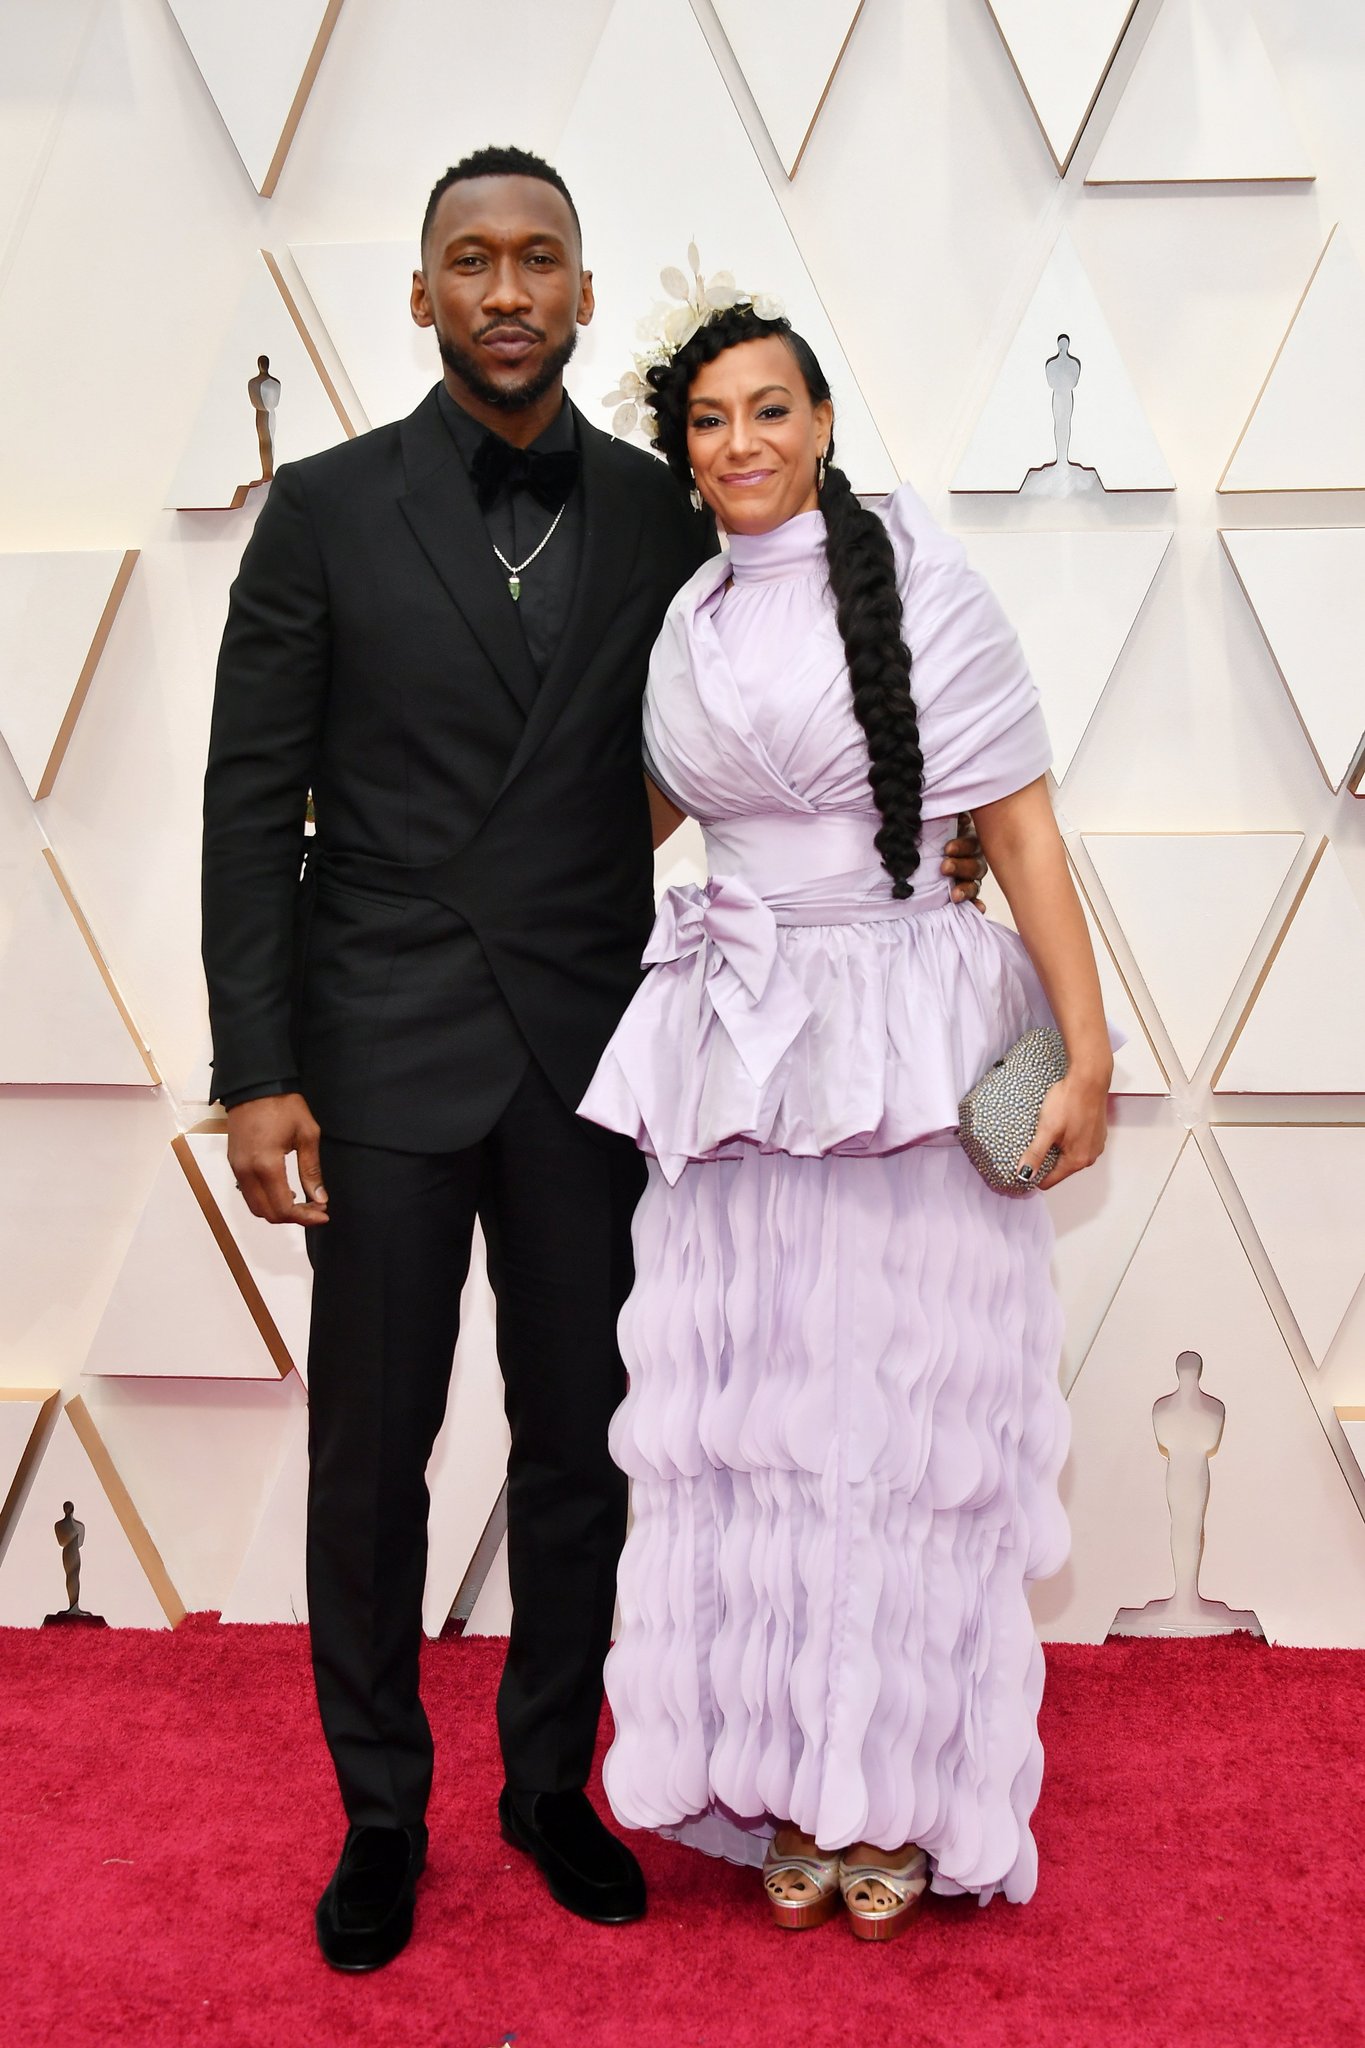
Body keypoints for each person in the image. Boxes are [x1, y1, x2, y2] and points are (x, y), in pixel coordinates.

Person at [201, 142, 1000, 1969]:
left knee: (586, 1444)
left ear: (579, 289)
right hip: (378, 1051)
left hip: (596, 1050)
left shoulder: (662, 513)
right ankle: (380, 1815)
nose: (506, 289)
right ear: (421, 292)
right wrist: (257, 1069)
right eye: (471, 259)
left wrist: (920, 839)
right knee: (371, 1459)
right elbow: (250, 807)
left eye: (538, 258)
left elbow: (785, 693)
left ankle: (550, 1785)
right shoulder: (321, 511)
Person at [580, 300, 1113, 1939]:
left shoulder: (930, 591)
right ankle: (785, 1788)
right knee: (757, 1436)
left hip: (901, 1047)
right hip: (738, 1054)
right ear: (682, 453)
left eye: (769, 409)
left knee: (898, 1429)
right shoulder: (679, 625)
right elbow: (617, 820)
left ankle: (899, 1797)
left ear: (819, 422)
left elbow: (1019, 835)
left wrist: (1087, 1054)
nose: (741, 442)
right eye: (708, 420)